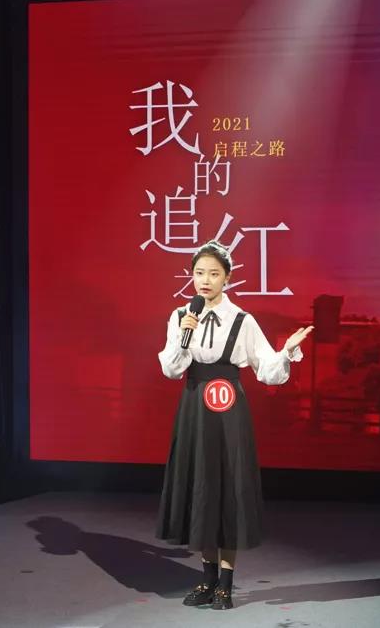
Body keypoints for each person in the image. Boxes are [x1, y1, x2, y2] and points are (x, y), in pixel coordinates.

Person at [155, 240, 312, 610]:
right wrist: (184, 336)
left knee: (227, 488)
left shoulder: (243, 320)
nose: (205, 280)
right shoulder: (181, 316)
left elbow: (267, 370)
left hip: (229, 412)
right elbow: (171, 369)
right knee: (201, 487)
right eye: (199, 273)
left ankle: (226, 583)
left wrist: (287, 351)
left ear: (227, 278)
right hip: (194, 406)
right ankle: (207, 578)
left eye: (213, 274)